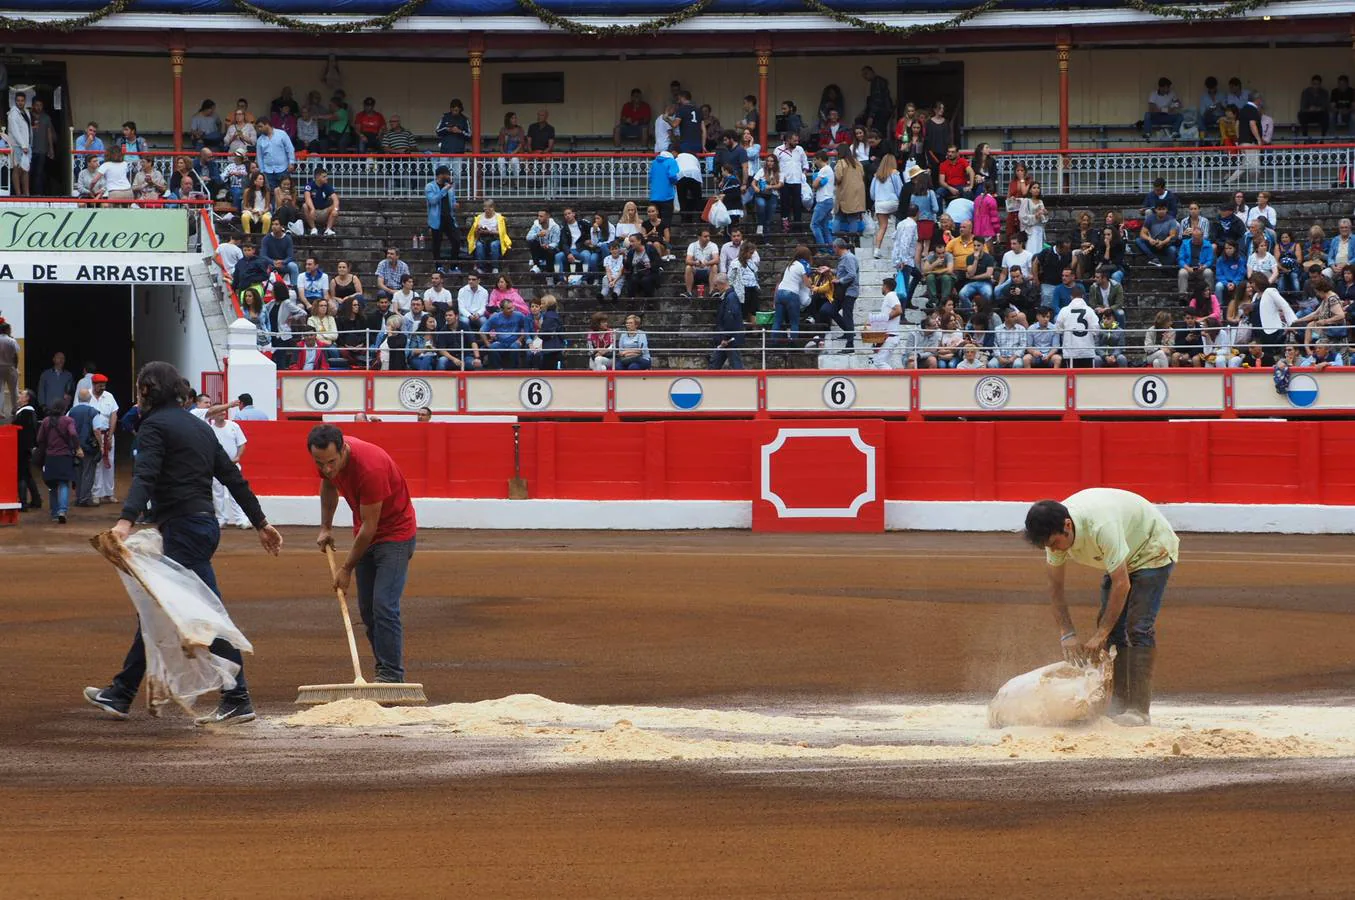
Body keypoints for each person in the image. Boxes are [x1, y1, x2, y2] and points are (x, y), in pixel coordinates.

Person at [83, 362, 282, 726]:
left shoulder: (155, 427)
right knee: (159, 608)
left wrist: (126, 520)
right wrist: (261, 522)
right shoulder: (199, 427)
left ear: (147, 391)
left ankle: (237, 697)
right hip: (201, 526)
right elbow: (233, 478)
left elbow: (146, 476)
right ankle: (122, 692)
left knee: (204, 613)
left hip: (184, 531)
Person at [1024, 489, 1180, 726]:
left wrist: (1100, 635)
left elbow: (1122, 583)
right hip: (1123, 552)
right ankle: (1117, 704)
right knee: (1111, 628)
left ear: (1067, 525)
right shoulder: (1052, 534)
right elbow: (1055, 588)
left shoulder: (1101, 526)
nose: (1054, 550)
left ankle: (1138, 710)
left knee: (1137, 627)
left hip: (1152, 548)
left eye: (1056, 543)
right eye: (1048, 546)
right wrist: (1067, 633)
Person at [310, 424, 416, 685]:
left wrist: (346, 568)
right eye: (320, 463)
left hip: (395, 535)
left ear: (343, 449)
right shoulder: (326, 458)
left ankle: (392, 676)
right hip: (366, 534)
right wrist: (326, 526)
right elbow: (328, 485)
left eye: (331, 462)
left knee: (384, 604)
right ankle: (384, 671)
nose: (327, 469)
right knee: (368, 610)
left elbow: (371, 528)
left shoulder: (370, 468)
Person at [425, 166, 462, 270]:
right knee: (437, 243)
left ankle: (453, 265)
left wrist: (455, 204)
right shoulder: (430, 186)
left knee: (456, 240)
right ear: (440, 175)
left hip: (449, 217)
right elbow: (432, 200)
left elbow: (453, 200)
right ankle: (438, 266)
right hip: (436, 219)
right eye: (447, 174)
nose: (448, 176)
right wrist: (443, 190)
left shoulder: (449, 187)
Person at [709, 274, 744, 369]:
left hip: (728, 339)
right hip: (728, 338)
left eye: (716, 285)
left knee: (734, 363)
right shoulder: (730, 297)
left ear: (721, 284)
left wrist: (726, 337)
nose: (716, 288)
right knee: (716, 363)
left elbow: (730, 318)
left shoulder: (730, 297)